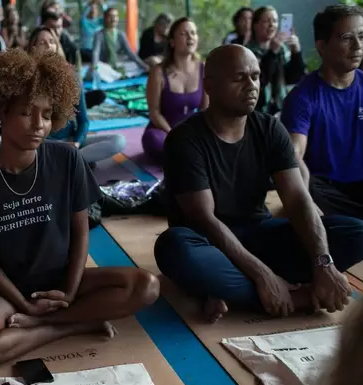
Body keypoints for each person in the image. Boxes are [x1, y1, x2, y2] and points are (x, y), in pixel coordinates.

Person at [0, 49, 160, 367]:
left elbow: (80, 232)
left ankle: (50, 323)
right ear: (1, 112)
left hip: (64, 279)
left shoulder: (67, 159)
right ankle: (73, 324)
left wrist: (70, 292)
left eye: (46, 115)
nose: (38, 125)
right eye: (26, 113)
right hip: (5, 289)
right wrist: (25, 306)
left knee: (146, 286)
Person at [154, 44, 363, 323]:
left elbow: (298, 200)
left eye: (256, 76)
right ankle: (293, 296)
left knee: (355, 231)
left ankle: (226, 291)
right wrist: (263, 274)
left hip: (260, 235)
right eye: (240, 78)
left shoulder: (268, 128)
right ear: (210, 86)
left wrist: (323, 263)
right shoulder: (185, 139)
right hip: (208, 244)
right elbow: (205, 220)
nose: (252, 85)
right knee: (173, 247)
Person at [281, 5, 363, 219]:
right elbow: (294, 155)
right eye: (346, 38)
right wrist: (305, 197)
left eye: (361, 36)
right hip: (327, 190)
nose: (358, 46)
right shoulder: (302, 97)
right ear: (322, 46)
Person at [26, 26, 125, 165]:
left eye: (52, 41)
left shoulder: (71, 77)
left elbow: (83, 121)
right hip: (44, 144)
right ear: (33, 48)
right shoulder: (27, 79)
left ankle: (71, 161)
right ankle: (75, 162)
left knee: (118, 141)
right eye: (42, 42)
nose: (49, 45)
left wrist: (76, 142)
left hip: (71, 140)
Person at [143, 17, 208, 165]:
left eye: (193, 33)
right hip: (164, 131)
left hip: (192, 132)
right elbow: (154, 113)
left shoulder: (203, 69)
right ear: (172, 42)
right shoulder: (158, 72)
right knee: (155, 140)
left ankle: (190, 157)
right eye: (184, 33)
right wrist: (174, 135)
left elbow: (205, 110)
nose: (190, 37)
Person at [246, 6, 306, 115]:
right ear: (255, 25)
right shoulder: (247, 51)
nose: (271, 25)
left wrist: (296, 52)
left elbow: (294, 78)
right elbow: (261, 79)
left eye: (275, 21)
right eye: (266, 21)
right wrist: (272, 53)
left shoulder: (281, 49)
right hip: (256, 110)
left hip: (280, 109)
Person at [92, 8, 148, 76]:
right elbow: (95, 53)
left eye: (115, 16)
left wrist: (144, 66)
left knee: (134, 66)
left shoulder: (121, 34)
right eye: (110, 16)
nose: (113, 19)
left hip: (118, 65)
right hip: (104, 67)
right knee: (98, 68)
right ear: (105, 18)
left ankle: (116, 75)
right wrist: (95, 68)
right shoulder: (99, 35)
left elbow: (130, 53)